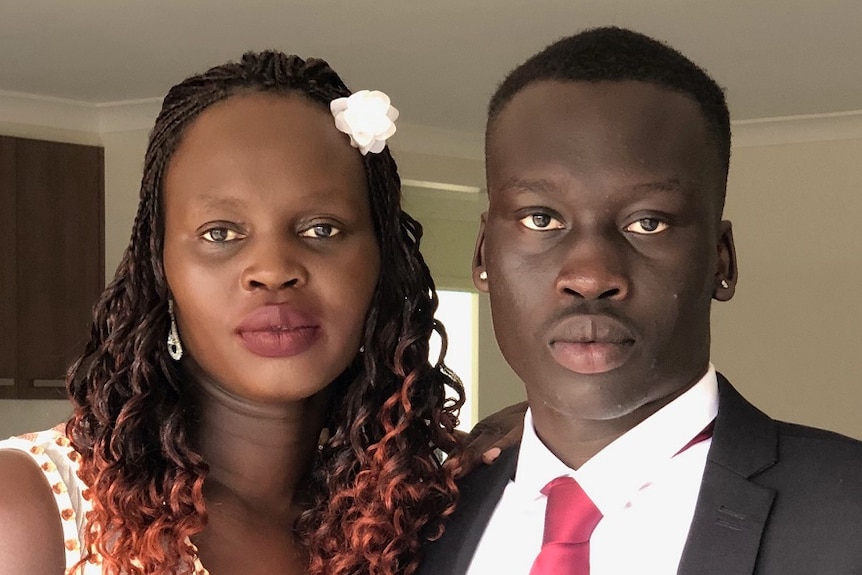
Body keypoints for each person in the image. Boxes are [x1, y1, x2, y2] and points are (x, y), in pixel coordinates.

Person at [0, 51, 466, 575]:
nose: (272, 270)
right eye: (220, 233)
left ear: (382, 261)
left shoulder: (419, 518)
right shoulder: (27, 507)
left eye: (322, 229)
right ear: (161, 269)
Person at [418, 26, 862, 575]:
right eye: (542, 219)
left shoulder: (848, 513)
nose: (589, 276)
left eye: (647, 222)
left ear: (720, 261)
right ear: (483, 253)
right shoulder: (416, 519)